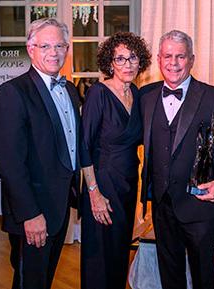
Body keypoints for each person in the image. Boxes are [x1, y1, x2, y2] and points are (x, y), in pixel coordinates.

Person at [140, 30, 214, 289]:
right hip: (162, 204)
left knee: (202, 276)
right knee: (169, 274)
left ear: (192, 59)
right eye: (168, 56)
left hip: (199, 204)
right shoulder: (146, 96)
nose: (173, 63)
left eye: (180, 57)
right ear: (159, 59)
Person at [0, 18, 82, 289]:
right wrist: (30, 214)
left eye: (59, 46)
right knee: (29, 282)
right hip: (32, 212)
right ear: (31, 49)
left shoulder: (70, 90)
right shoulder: (12, 93)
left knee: (44, 279)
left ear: (67, 49)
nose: (53, 52)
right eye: (45, 46)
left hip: (61, 204)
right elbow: (10, 164)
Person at [80, 31, 151, 289]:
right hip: (102, 183)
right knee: (100, 254)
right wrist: (93, 192)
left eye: (132, 58)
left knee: (120, 250)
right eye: (120, 59)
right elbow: (84, 146)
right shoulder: (98, 93)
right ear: (110, 63)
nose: (128, 64)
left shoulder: (137, 93)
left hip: (128, 183)